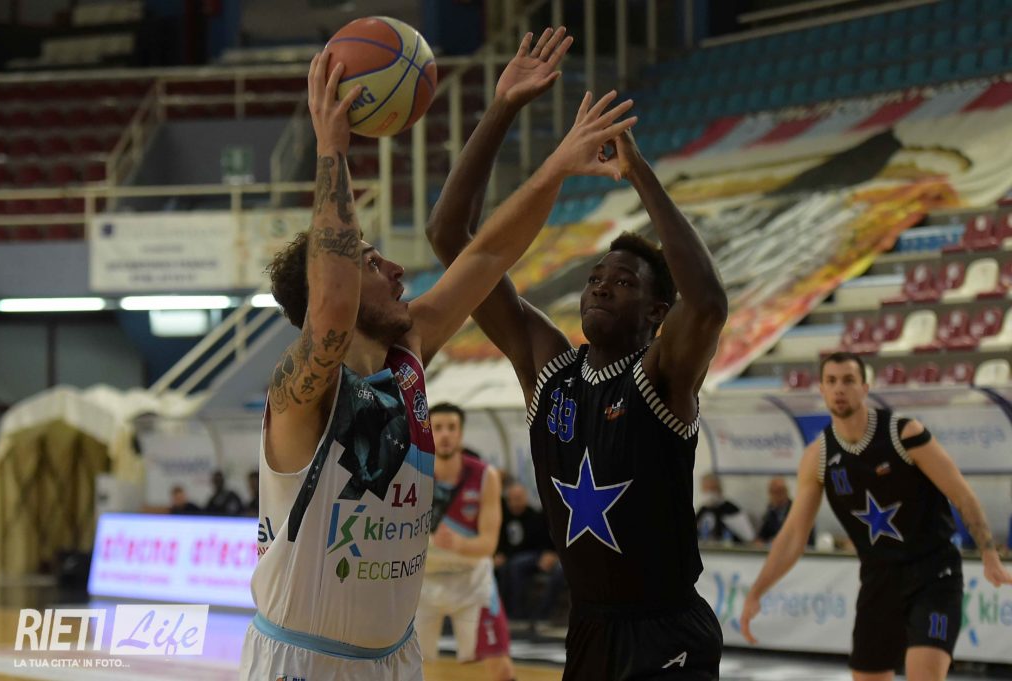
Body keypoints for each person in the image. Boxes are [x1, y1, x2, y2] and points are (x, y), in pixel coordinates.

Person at [240, 29, 636, 680]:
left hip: (395, 658)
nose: (397, 269)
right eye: (373, 262)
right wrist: (332, 148)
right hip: (302, 661)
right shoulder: (300, 392)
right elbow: (332, 306)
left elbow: (487, 253)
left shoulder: (409, 348)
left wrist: (554, 163)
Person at [428, 109, 727, 679]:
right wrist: (504, 107)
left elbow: (708, 303)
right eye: (595, 279)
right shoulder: (550, 368)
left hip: (666, 629)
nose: (601, 288)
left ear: (657, 312)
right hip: (589, 626)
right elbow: (447, 235)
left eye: (623, 282)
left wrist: (638, 173)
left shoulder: (661, 373)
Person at [740, 352, 1012, 680]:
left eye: (848, 380)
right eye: (831, 381)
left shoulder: (903, 434)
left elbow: (962, 495)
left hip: (934, 574)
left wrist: (989, 555)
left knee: (924, 673)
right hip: (879, 582)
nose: (839, 389)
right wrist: (756, 591)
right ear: (822, 390)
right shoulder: (818, 456)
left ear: (865, 387)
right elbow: (794, 535)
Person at [415, 403, 515, 680]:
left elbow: (489, 545)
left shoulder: (485, 476)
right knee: (406, 667)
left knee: (501, 668)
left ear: (461, 433)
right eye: (438, 428)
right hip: (423, 582)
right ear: (428, 431)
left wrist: (457, 543)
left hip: (471, 581)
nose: (445, 434)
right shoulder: (415, 472)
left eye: (452, 427)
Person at [494, 481, 565, 631]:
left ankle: (540, 616)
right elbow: (500, 541)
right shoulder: (503, 517)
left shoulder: (534, 516)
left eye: (518, 498)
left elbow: (541, 542)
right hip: (520, 556)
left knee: (517, 564)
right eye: (512, 499)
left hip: (538, 555)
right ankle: (508, 613)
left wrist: (551, 554)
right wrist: (499, 554)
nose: (515, 503)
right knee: (505, 567)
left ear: (525, 498)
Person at [695, 472, 755, 545]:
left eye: (712, 489)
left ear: (720, 489)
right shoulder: (702, 510)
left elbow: (749, 538)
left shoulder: (731, 510)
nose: (709, 493)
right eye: (706, 489)